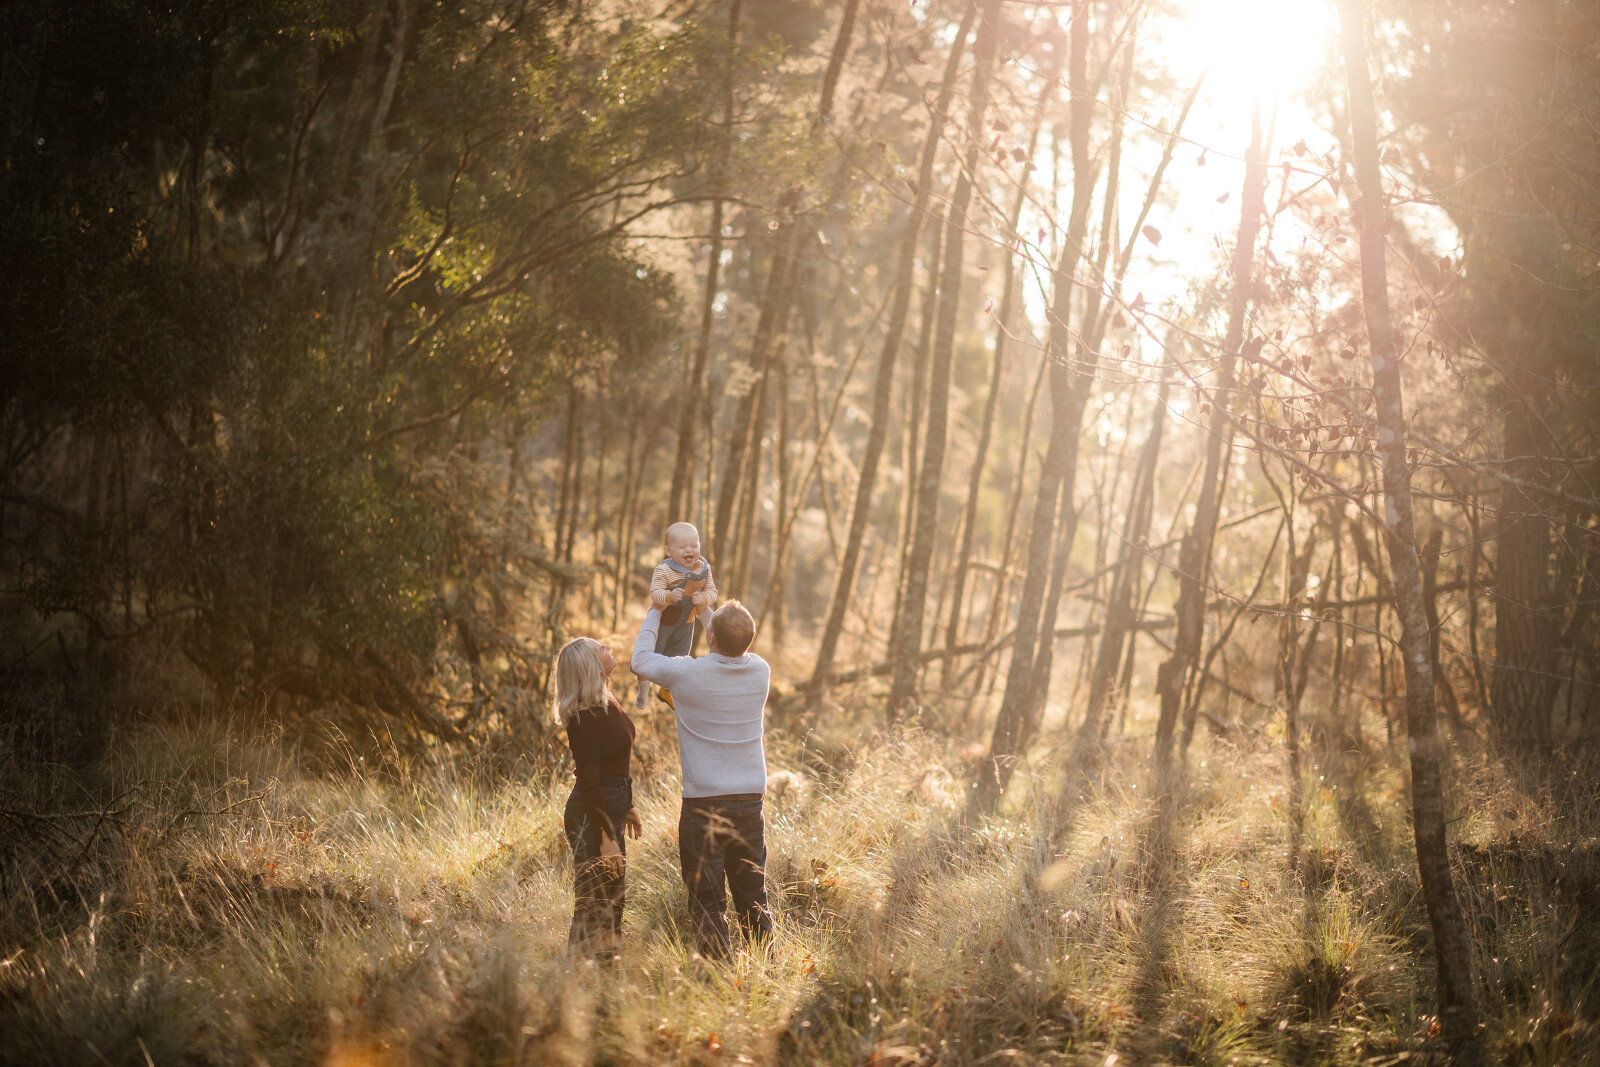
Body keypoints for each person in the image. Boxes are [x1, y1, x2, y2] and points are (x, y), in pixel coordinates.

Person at [630, 599, 771, 960]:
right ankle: (767, 973)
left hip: (702, 804)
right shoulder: (760, 670)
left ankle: (716, 976)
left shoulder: (686, 673)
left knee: (707, 902)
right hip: (749, 803)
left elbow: (640, 660)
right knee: (753, 898)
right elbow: (728, 636)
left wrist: (656, 610)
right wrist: (705, 607)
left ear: (710, 636)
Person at [553, 636, 643, 959]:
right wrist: (606, 836)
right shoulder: (586, 715)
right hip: (592, 816)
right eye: (601, 648)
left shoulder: (602, 702)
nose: (609, 648)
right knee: (594, 903)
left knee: (612, 899)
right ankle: (576, 977)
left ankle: (605, 975)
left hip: (607, 808)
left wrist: (627, 804)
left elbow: (611, 764)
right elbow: (590, 780)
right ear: (590, 665)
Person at [636, 521, 718, 709]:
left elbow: (713, 592)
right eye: (682, 547)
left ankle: (667, 691)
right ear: (668, 551)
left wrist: (704, 599)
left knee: (679, 659)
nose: (689, 550)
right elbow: (654, 593)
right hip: (663, 623)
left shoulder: (703, 568)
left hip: (685, 625)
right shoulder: (664, 570)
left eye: (694, 545)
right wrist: (668, 596)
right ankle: (643, 689)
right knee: (649, 658)